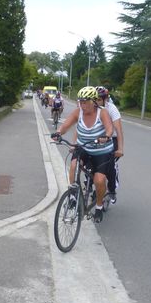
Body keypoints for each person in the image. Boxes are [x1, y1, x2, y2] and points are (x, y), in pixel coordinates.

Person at [52, 86, 113, 223]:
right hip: (84, 148)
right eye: (80, 101)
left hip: (101, 151)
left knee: (99, 180)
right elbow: (66, 125)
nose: (82, 105)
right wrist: (58, 132)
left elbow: (109, 128)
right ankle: (73, 196)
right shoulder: (78, 112)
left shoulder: (102, 113)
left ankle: (98, 206)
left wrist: (106, 136)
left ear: (94, 101)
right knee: (73, 165)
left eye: (85, 102)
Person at [96, 86, 124, 204]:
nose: (96, 102)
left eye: (99, 99)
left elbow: (118, 130)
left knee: (110, 166)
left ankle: (111, 190)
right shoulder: (92, 107)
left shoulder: (111, 109)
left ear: (105, 99)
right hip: (97, 139)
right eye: (94, 99)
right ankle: (88, 183)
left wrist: (120, 149)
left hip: (111, 140)